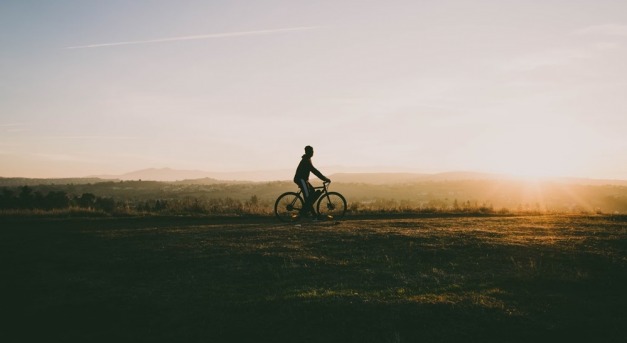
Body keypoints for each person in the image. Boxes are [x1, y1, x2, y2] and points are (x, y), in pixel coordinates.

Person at [293, 145, 331, 218]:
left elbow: (314, 170)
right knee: (308, 198)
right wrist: (325, 179)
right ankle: (310, 213)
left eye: (313, 151)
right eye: (311, 151)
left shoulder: (308, 159)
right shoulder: (306, 160)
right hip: (301, 180)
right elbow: (315, 171)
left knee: (312, 191)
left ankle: (307, 210)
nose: (313, 152)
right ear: (308, 152)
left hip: (304, 180)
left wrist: (324, 178)